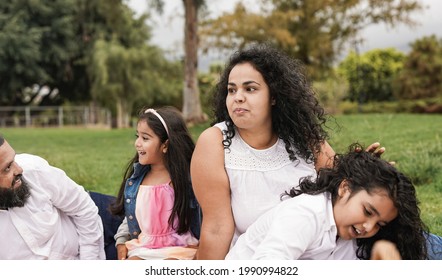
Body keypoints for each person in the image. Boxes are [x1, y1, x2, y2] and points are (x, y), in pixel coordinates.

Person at [191, 43, 385, 259]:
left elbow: (341, 190)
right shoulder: (215, 142)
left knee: (424, 243)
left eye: (250, 88)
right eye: (231, 89)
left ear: (274, 96)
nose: (238, 97)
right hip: (257, 259)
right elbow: (217, 228)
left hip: (318, 253)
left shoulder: (303, 137)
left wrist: (365, 173)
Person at [225, 144, 428, 260]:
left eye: (380, 224)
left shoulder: (349, 237)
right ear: (345, 188)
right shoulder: (307, 213)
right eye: (367, 211)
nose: (368, 227)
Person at [111, 106, 201, 260]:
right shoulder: (137, 180)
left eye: (145, 138)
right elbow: (131, 214)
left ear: (165, 145)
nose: (137, 143)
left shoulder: (185, 180)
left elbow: (206, 216)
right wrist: (121, 240)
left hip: (180, 248)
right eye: (137, 136)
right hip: (144, 247)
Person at [0, 135, 105, 260]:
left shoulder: (33, 170)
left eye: (14, 159)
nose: (19, 169)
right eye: (7, 168)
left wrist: (89, 262)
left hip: (96, 235)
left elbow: (84, 209)